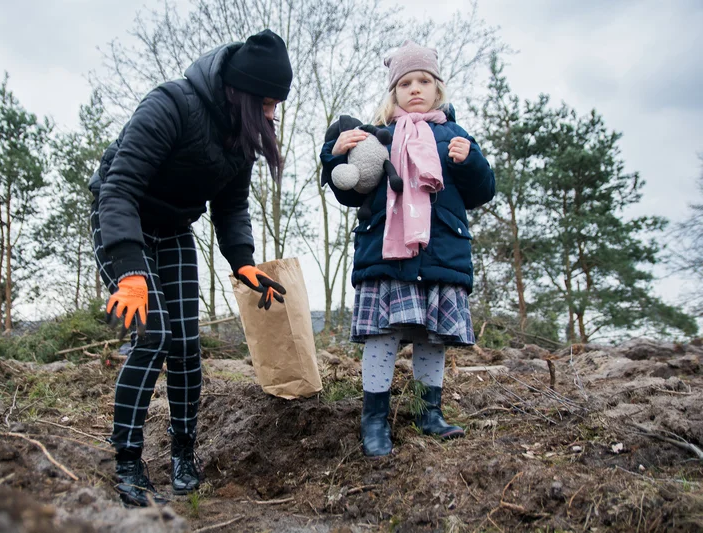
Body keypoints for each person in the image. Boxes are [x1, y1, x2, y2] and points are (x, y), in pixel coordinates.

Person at [89, 29, 292, 505]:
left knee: (185, 344)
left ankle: (183, 454)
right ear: (241, 92)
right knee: (153, 334)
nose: (272, 114)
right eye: (267, 103)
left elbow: (231, 207)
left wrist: (243, 262)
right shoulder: (171, 104)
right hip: (123, 218)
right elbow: (119, 188)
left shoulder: (239, 135)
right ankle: (127, 463)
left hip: (175, 227)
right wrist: (130, 271)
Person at [320, 41, 495, 457]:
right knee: (383, 337)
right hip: (387, 254)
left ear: (438, 88)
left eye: (423, 81)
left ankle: (427, 414)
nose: (414, 89)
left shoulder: (456, 135)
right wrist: (333, 154)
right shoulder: (375, 135)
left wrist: (470, 160)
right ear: (393, 91)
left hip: (440, 253)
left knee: (433, 340)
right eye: (404, 83)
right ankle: (374, 421)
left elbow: (482, 190)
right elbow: (348, 190)